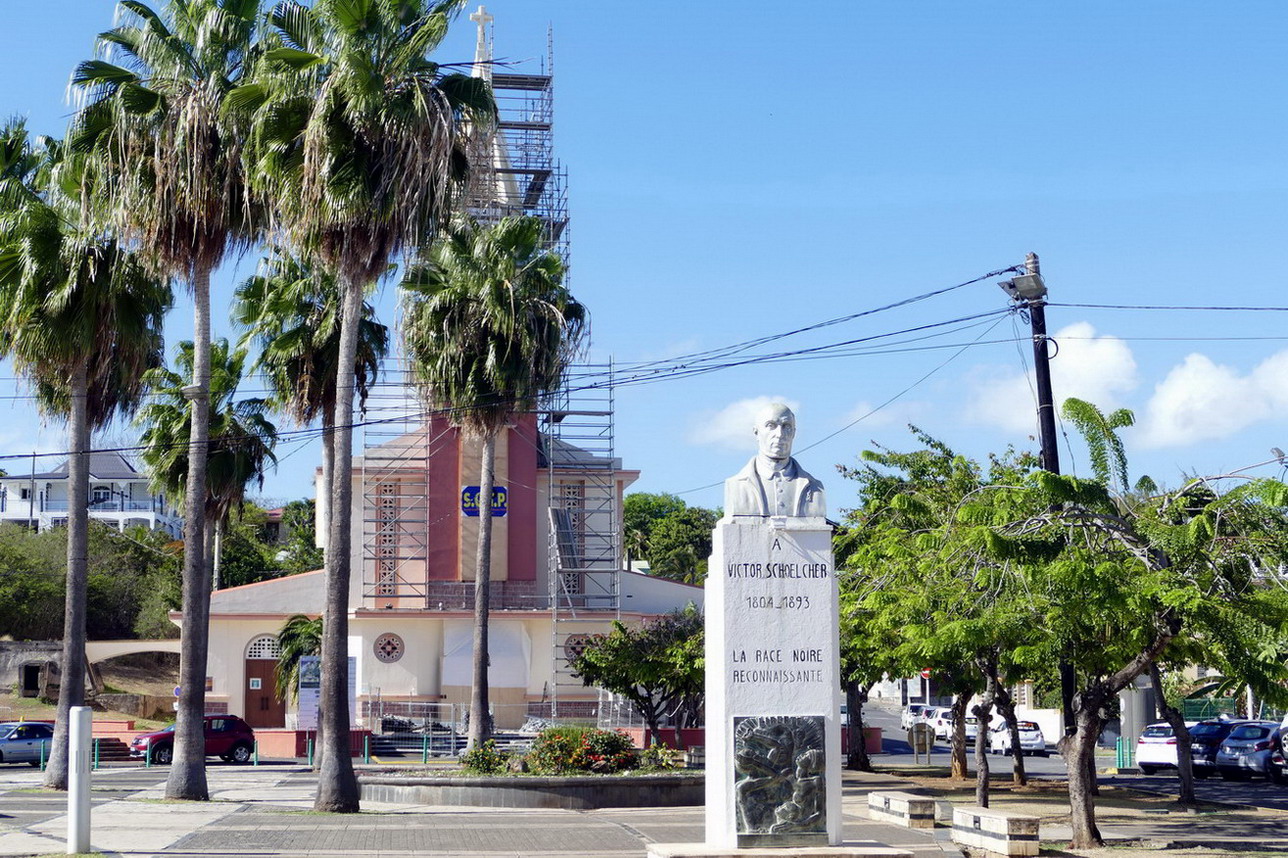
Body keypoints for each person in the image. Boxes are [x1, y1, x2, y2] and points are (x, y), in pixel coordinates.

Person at [724, 402, 826, 518]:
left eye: (786, 427)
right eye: (771, 426)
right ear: (756, 432)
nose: (779, 434)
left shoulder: (814, 487)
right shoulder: (737, 485)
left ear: (794, 433)